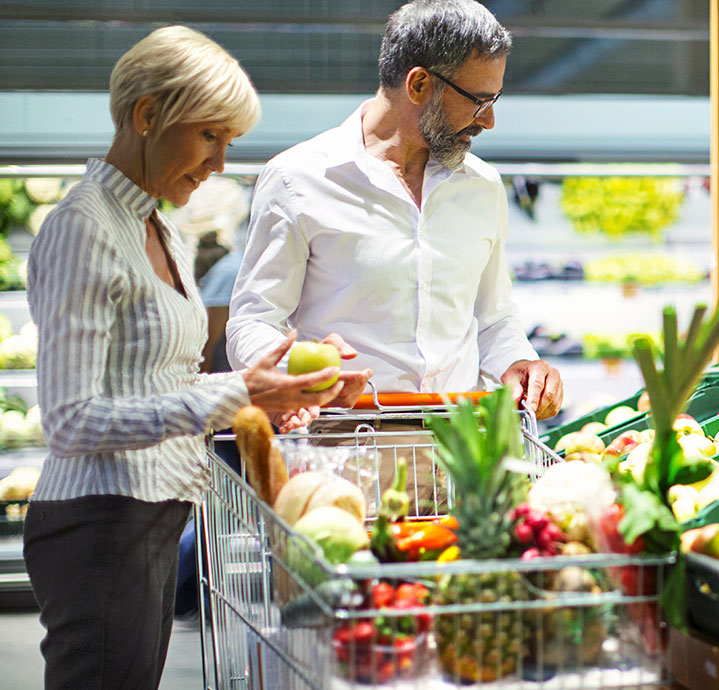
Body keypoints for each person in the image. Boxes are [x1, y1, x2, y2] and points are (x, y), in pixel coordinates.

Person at [21, 26, 368, 690]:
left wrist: (283, 382)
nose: (218, 163)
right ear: (148, 115)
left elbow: (163, 383)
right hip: (99, 521)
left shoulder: (161, 227)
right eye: (210, 136)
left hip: (150, 513)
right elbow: (70, 420)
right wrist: (239, 393)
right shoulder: (82, 228)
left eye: (228, 143)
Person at [226, 0, 563, 426]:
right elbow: (252, 323)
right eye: (479, 101)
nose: (490, 120)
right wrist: (301, 368)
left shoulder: (482, 187)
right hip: (344, 452)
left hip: (459, 454)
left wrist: (519, 362)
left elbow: (492, 317)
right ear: (419, 84)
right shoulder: (298, 179)